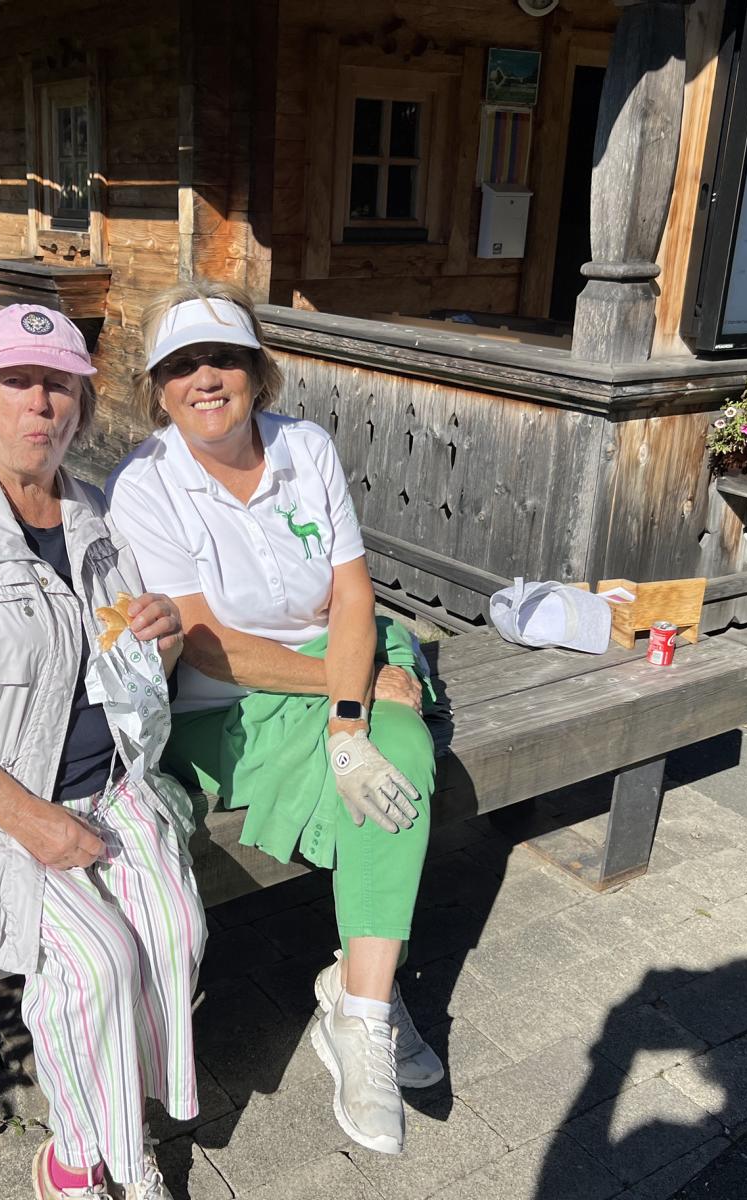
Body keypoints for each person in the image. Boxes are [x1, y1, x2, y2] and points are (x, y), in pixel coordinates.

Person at [0, 304, 205, 1200]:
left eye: (60, 385)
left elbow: (126, 671)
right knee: (98, 963)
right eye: (16, 381)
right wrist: (37, 825)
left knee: (175, 931)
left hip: (106, 785)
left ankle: (118, 1112)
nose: (40, 403)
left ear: (81, 406)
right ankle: (81, 1160)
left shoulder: (93, 513)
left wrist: (161, 639)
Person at [107, 281, 442, 1157]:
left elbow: (353, 593)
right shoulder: (144, 485)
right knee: (400, 756)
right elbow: (207, 646)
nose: (205, 378)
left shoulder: (306, 446)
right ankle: (366, 993)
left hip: (336, 665)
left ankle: (360, 1006)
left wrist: (347, 716)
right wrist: (355, 683)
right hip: (226, 705)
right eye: (181, 365)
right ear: (156, 388)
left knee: (392, 755)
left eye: (223, 357)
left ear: (258, 371)